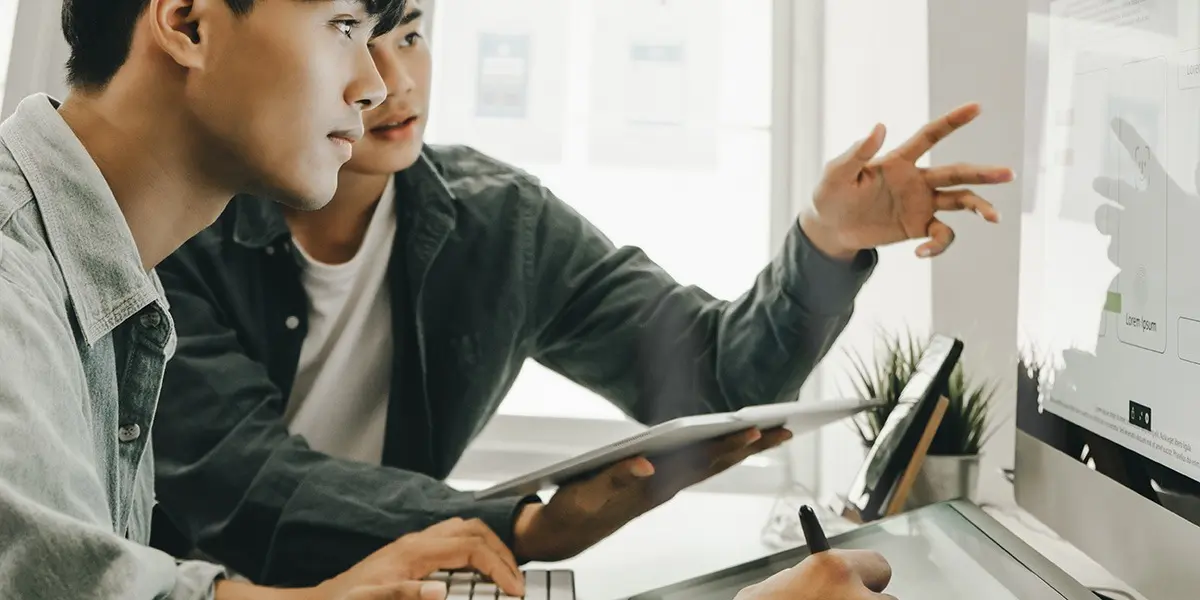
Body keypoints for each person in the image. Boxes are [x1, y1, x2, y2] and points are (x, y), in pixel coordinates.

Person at [151, 0, 1014, 590]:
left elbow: (711, 380)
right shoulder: (186, 220)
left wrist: (829, 240)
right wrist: (521, 528)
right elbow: (242, 485)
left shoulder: (499, 224)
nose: (394, 81)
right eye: (354, 35)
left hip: (397, 583)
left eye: (410, 34)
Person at [0, 0, 539, 598]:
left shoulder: (110, 272)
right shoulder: (11, 281)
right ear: (187, 25)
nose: (375, 86)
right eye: (343, 28)